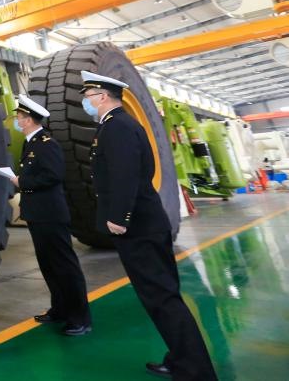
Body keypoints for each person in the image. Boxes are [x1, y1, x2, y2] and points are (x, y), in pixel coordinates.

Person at [81, 71, 218, 380]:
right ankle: (180, 359)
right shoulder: (118, 125)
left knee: (163, 299)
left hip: (139, 228)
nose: (85, 102)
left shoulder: (117, 127)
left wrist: (119, 217)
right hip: (145, 223)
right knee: (162, 296)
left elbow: (126, 175)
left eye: (88, 96)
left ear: (101, 96)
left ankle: (195, 371)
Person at [10, 94, 91, 335]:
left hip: (51, 215)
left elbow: (53, 176)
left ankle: (80, 318)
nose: (17, 121)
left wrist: (22, 182)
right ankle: (60, 309)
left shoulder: (47, 144)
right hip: (37, 215)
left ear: (28, 120)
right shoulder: (31, 144)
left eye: (19, 117)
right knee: (48, 265)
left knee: (65, 266)